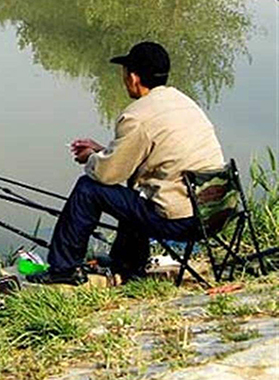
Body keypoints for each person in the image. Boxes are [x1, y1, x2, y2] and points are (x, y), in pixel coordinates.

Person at [27, 41, 225, 285]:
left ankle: (63, 269)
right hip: (215, 213)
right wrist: (103, 151)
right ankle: (127, 263)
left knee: (88, 189)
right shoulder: (182, 101)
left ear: (133, 77)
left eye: (124, 72)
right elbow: (153, 155)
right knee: (134, 197)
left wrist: (90, 158)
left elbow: (108, 175)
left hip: (181, 223)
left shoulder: (137, 116)